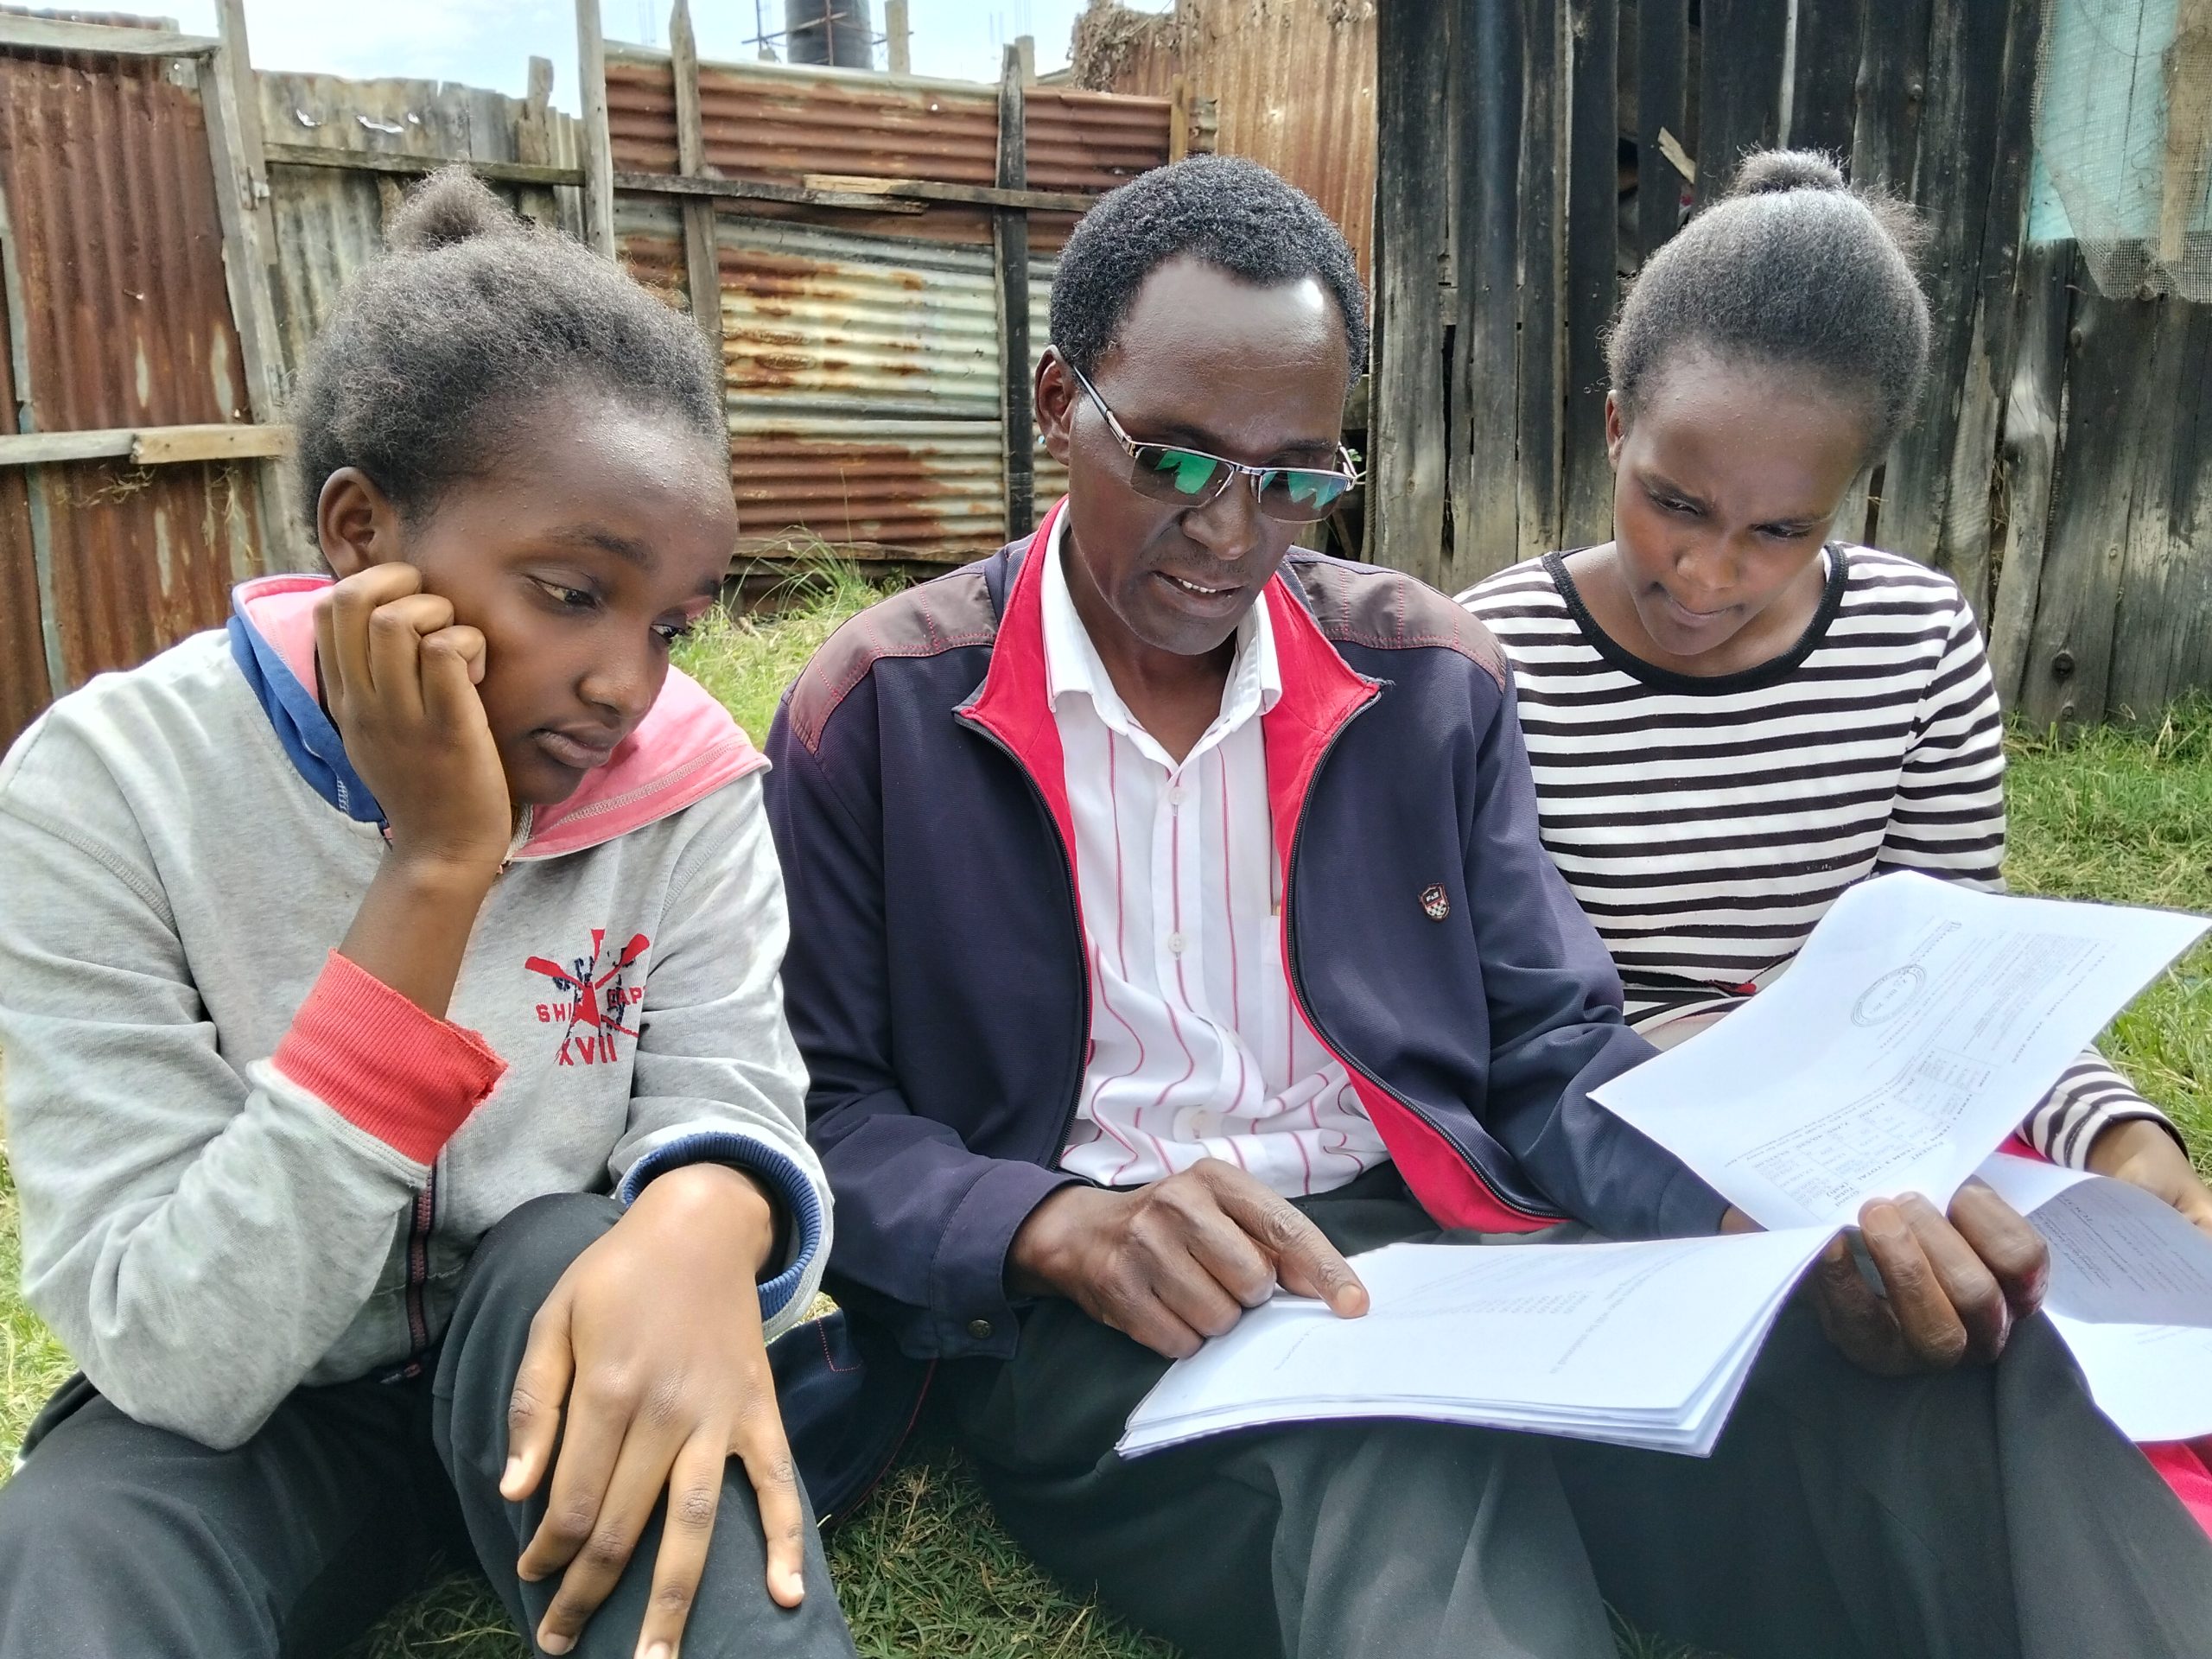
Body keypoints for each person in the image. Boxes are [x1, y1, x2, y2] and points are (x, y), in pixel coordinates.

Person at [764, 154, 2212, 1659]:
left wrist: (1774, 1223)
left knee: (1954, 1366)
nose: (1230, 533)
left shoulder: (1425, 681)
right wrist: (1060, 1226)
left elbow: (1547, 1049)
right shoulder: (879, 713)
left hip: (1453, 1264)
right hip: (1105, 1320)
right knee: (1401, 1460)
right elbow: (829, 1118)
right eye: (1176, 459)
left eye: (1297, 479)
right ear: (1064, 405)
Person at [0, 170, 857, 1659]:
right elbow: (181, 1356)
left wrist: (708, 1212)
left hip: (557, 1346)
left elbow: (733, 1083)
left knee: (575, 1255)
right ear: (359, 532)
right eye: (570, 592)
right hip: (247, 1415)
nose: (629, 687)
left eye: (668, 624)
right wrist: (435, 872)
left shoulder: (690, 785)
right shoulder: (102, 790)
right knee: (70, 1551)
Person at [1460, 147, 2212, 1529]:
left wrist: (2126, 1147)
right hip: (1642, 1162)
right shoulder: (1492, 659)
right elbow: (1517, 1047)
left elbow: (1964, 992)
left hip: (1898, 1126)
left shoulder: (1913, 638)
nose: (1707, 574)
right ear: (1616, 423)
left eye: (1779, 531)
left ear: (1852, 496)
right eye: (1675, 502)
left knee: (2091, 1326)